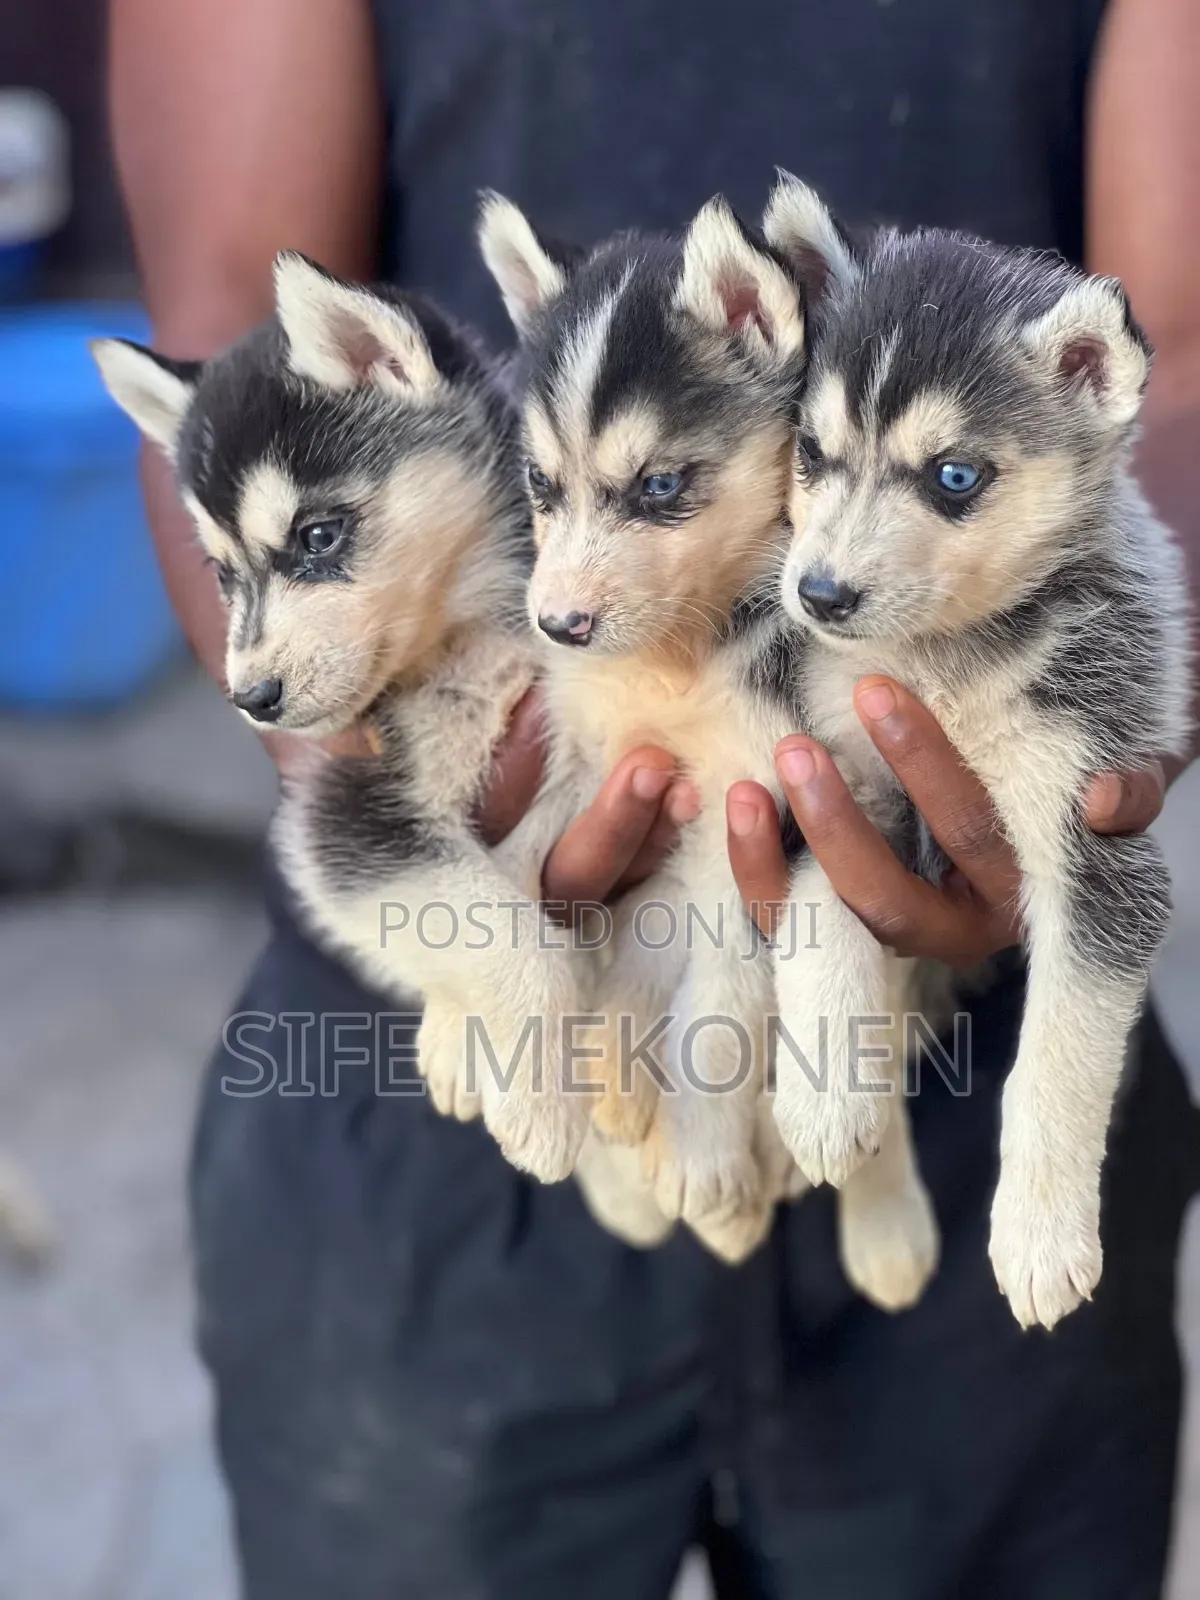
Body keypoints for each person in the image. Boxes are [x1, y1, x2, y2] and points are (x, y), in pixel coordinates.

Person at [109, 0, 1200, 1594]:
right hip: (451, 1124)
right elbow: (234, 339)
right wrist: (433, 824)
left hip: (964, 1026)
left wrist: (1090, 730)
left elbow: (1172, 355)